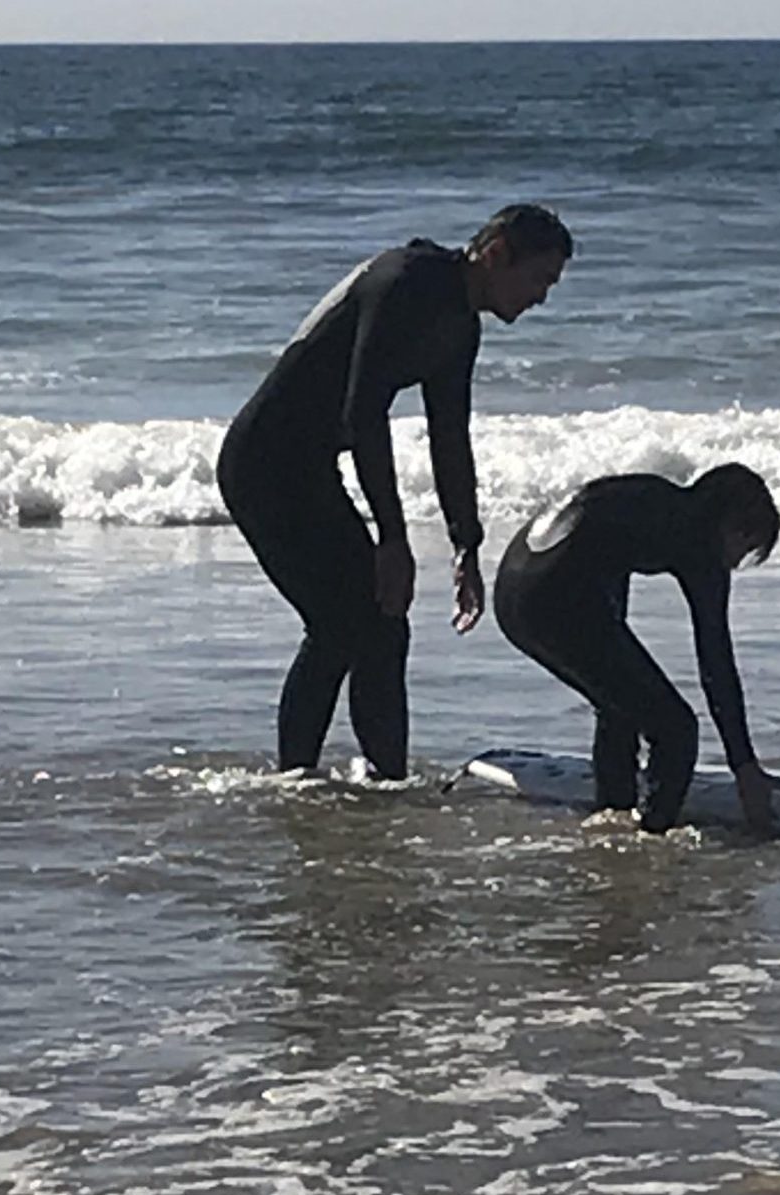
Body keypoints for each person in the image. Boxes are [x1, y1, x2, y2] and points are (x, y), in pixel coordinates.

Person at [217, 204, 573, 780]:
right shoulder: (409, 282)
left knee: (375, 624)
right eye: (539, 279)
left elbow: (449, 438)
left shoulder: (461, 326)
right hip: (262, 465)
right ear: (497, 253)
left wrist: (466, 543)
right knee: (345, 623)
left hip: (306, 469)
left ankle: (380, 780)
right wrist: (393, 537)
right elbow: (364, 412)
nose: (541, 299)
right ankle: (304, 779)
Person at [493, 465, 780, 834]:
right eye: (745, 549)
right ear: (733, 526)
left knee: (620, 704)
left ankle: (613, 810)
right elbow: (716, 663)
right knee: (676, 729)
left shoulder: (651, 498)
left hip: (510, 594)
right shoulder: (699, 543)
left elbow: (596, 561)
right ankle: (650, 837)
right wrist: (744, 767)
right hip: (554, 598)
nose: (733, 564)